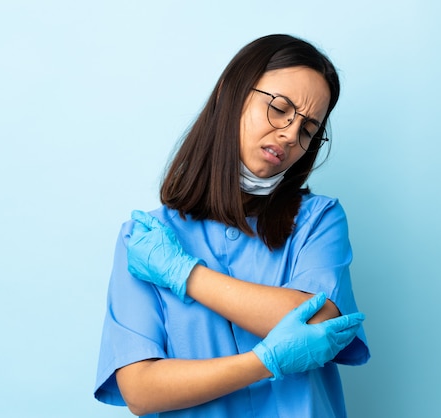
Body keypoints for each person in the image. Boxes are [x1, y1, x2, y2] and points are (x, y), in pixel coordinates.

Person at [94, 34, 370, 417]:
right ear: (230, 93)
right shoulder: (146, 242)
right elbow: (141, 390)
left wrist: (185, 274)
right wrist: (264, 362)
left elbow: (317, 317)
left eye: (308, 129)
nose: (290, 134)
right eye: (279, 108)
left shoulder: (318, 220)